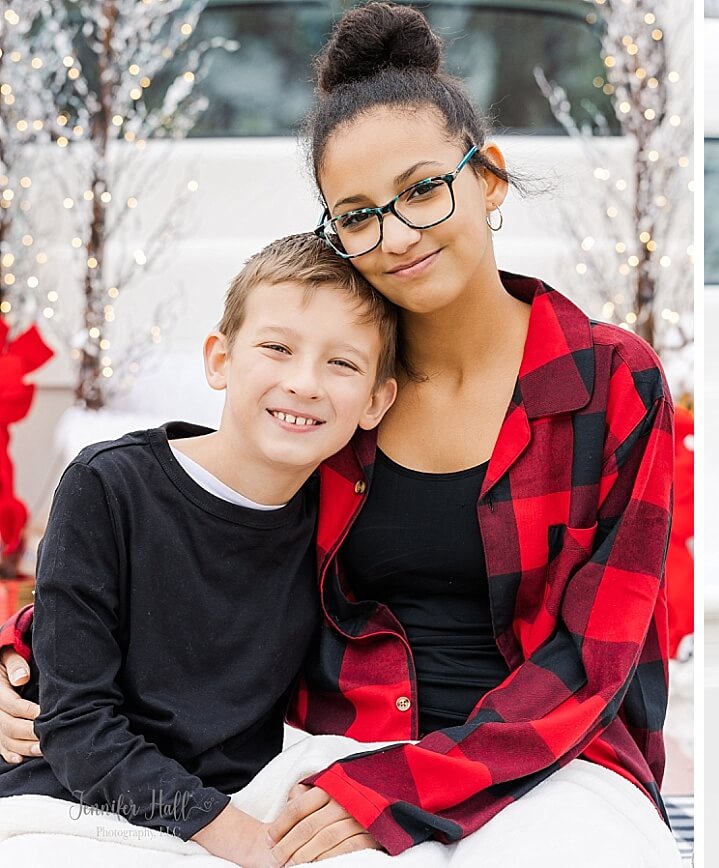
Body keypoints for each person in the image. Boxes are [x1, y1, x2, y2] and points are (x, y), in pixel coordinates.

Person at [1, 3, 676, 864]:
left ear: (489, 179)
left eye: (424, 189)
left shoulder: (611, 383)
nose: (395, 235)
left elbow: (592, 661)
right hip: (346, 749)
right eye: (357, 213)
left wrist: (408, 787)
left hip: (555, 759)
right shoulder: (335, 396)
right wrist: (26, 663)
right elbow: (199, 532)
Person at [0, 233, 398, 867]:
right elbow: (76, 723)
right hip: (73, 798)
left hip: (243, 797)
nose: (304, 383)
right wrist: (234, 836)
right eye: (277, 348)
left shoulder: (345, 518)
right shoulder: (108, 485)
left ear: (377, 399)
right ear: (219, 359)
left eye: (342, 364)